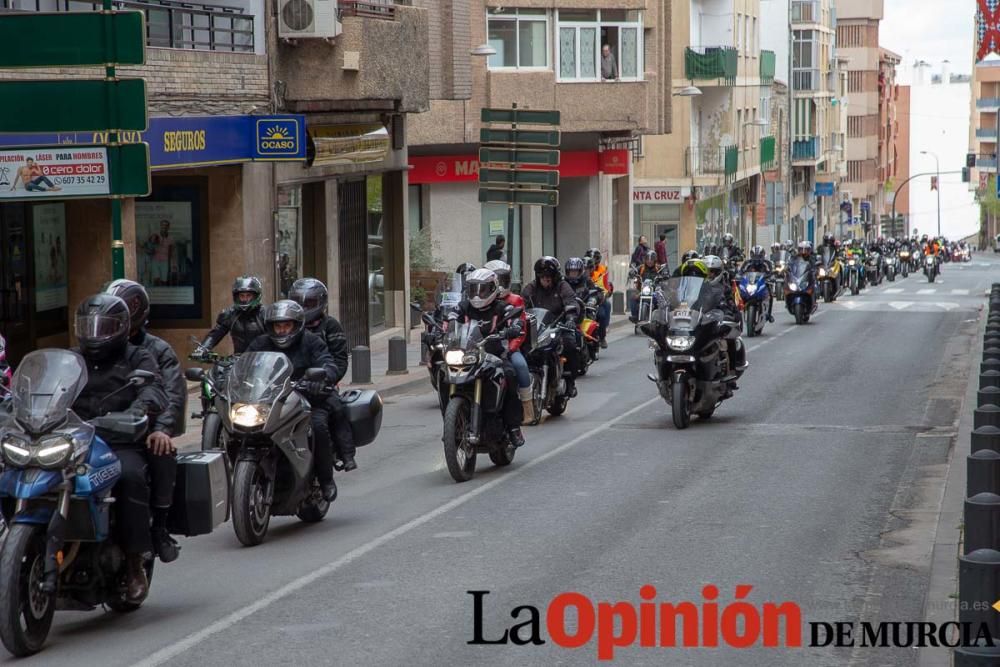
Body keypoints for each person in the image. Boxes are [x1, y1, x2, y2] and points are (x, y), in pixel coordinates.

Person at [71, 294, 167, 603]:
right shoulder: (72, 359)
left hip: (118, 440)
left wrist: (138, 411)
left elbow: (153, 389)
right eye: (89, 326)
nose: (95, 334)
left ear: (123, 327)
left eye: (104, 327)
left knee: (129, 478)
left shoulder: (138, 357)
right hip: (71, 441)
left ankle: (133, 561)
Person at [104, 279, 185, 563]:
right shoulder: (88, 352)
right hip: (93, 433)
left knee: (156, 456)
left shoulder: (154, 351)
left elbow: (171, 392)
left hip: (140, 431)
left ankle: (158, 529)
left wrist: (162, 428)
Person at [246, 301, 340, 502]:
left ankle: (326, 480)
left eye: (286, 326)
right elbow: (245, 364)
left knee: (317, 426)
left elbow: (328, 362)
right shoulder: (260, 343)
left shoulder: (311, 341)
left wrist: (322, 377)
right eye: (277, 326)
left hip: (306, 398)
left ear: (296, 326)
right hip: (269, 401)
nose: (282, 330)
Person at [287, 278, 357, 471]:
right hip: (287, 384)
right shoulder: (286, 327)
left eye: (308, 303)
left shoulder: (330, 326)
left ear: (320, 303)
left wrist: (327, 379)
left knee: (335, 409)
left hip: (321, 383)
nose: (302, 308)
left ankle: (346, 453)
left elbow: (340, 361)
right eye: (298, 303)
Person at [450, 269, 525, 445]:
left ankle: (514, 427)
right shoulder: (463, 307)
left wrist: (515, 325)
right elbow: (450, 318)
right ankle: (454, 421)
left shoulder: (500, 307)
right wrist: (438, 329)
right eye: (473, 289)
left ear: (493, 289)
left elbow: (513, 316)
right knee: (444, 372)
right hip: (468, 355)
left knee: (510, 375)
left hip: (495, 354)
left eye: (482, 290)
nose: (477, 294)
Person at [521, 257, 581, 397]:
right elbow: (521, 303)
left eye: (549, 277)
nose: (546, 280)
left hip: (558, 326)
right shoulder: (531, 288)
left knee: (570, 344)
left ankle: (570, 381)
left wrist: (571, 318)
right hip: (537, 328)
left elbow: (571, 301)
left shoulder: (562, 286)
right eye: (543, 277)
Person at [483, 260, 533, 424]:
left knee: (519, 366)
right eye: (497, 279)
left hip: (506, 346)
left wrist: (510, 349)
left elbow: (521, 326)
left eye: (503, 279)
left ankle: (528, 409)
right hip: (483, 348)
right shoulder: (481, 299)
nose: (501, 283)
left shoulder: (515, 300)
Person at [197, 276, 266, 354]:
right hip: (238, 360)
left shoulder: (264, 314)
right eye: (242, 296)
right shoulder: (230, 314)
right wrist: (202, 349)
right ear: (237, 297)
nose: (245, 299)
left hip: (261, 361)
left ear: (256, 296)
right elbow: (215, 335)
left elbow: (274, 337)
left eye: (248, 295)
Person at [738, 245, 775, 323]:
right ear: (751, 255)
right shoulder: (747, 263)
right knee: (738, 292)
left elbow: (771, 272)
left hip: (762, 284)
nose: (756, 258)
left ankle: (769, 314)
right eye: (754, 256)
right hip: (750, 284)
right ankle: (736, 312)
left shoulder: (767, 263)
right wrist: (738, 277)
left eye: (758, 256)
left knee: (770, 294)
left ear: (762, 255)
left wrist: (771, 277)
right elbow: (741, 272)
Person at [586, 248, 612, 349]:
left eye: (595, 258)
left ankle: (602, 336)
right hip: (584, 296)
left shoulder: (603, 269)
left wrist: (606, 293)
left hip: (598, 297)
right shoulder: (581, 268)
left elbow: (606, 285)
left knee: (603, 310)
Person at [630, 250, 661, 322]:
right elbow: (634, 271)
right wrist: (632, 272)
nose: (649, 261)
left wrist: (665, 273)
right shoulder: (641, 268)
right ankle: (635, 316)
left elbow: (666, 272)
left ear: (655, 260)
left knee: (663, 300)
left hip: (655, 291)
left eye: (651, 259)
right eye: (647, 259)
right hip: (642, 290)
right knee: (633, 297)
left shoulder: (659, 268)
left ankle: (662, 317)